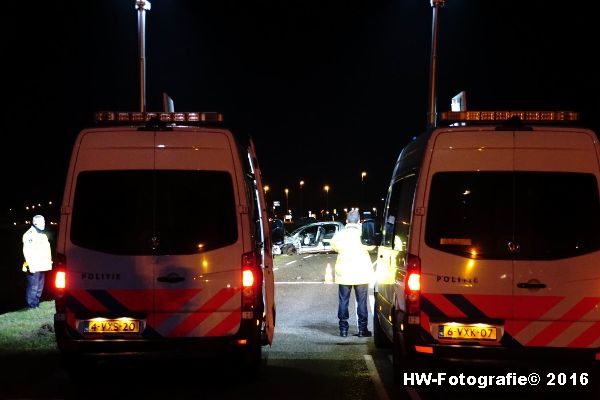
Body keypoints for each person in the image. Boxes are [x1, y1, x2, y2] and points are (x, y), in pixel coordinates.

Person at [330, 209, 375, 337]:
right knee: (361, 302)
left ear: (346, 220)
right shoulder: (362, 232)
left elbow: (334, 246)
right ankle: (362, 329)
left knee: (343, 301)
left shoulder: (340, 234)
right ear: (359, 220)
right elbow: (371, 246)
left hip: (344, 273)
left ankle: (343, 329)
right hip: (361, 273)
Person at [22, 215, 53, 309]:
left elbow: (46, 249)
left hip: (42, 265)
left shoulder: (42, 235)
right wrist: (30, 266)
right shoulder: (29, 235)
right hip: (34, 266)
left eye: (44, 221)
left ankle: (36, 303)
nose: (44, 223)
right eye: (42, 222)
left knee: (39, 287)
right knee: (33, 287)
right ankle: (31, 306)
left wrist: (49, 261)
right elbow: (27, 251)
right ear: (35, 223)